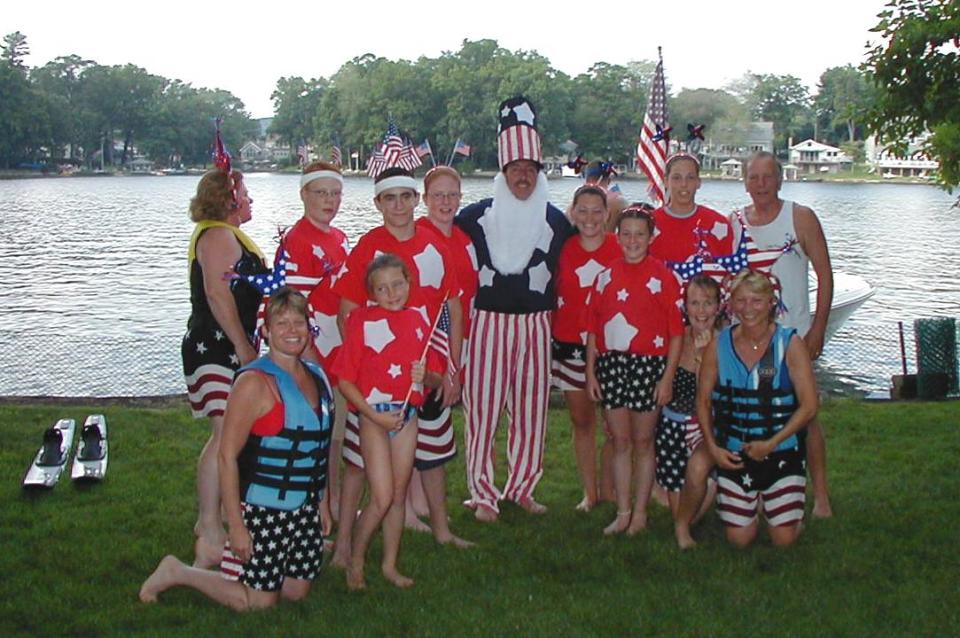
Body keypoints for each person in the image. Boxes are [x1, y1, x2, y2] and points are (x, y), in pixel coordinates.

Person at [142, 288, 334, 609]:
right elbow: (227, 456)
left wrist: (323, 503)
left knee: (296, 592)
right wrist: (237, 526)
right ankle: (177, 571)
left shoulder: (316, 376)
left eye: (299, 322)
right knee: (258, 603)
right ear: (266, 331)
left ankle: (269, 567)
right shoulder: (254, 383)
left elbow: (319, 450)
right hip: (264, 509)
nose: (291, 331)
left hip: (304, 506)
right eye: (281, 323)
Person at [330, 167, 463, 567]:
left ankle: (441, 528)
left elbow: (451, 307)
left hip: (424, 371)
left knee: (434, 452)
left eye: (407, 196)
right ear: (378, 203)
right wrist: (368, 367)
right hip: (375, 388)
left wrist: (450, 367)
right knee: (357, 464)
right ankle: (343, 544)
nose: (400, 206)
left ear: (416, 200)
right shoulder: (369, 248)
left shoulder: (435, 247)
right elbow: (348, 313)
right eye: (391, 198)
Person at [455, 96, 573, 522]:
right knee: (483, 409)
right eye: (514, 169)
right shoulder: (474, 217)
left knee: (531, 409)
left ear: (539, 173)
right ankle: (482, 492)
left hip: (536, 324)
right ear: (503, 174)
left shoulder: (557, 221)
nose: (522, 177)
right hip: (488, 323)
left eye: (530, 169)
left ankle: (522, 486)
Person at [732, 150, 835, 518]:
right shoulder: (735, 224)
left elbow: (824, 274)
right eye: (754, 178)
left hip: (795, 336)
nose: (761, 184)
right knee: (753, 417)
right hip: (749, 341)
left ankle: (820, 495)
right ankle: (758, 491)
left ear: (780, 179)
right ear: (745, 182)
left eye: (767, 176)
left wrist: (819, 327)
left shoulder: (801, 217)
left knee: (807, 417)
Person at [332, 254, 443, 590]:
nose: (392, 292)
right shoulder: (362, 321)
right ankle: (356, 556)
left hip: (407, 416)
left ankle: (390, 565)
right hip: (374, 416)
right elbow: (345, 381)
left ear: (409, 282)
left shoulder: (419, 320)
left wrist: (428, 377)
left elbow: (436, 378)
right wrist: (371, 414)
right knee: (380, 496)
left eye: (398, 284)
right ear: (372, 293)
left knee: (397, 495)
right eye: (382, 288)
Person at [181, 168, 269, 568]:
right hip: (217, 348)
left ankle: (212, 520)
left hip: (226, 348)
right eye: (245, 194)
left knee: (226, 436)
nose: (250, 200)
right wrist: (243, 348)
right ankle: (211, 525)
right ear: (228, 200)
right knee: (224, 437)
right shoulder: (217, 235)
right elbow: (217, 295)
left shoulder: (224, 234)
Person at [696, 270, 818, 547]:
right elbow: (703, 400)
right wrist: (714, 448)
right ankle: (750, 504)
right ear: (731, 304)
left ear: (771, 303)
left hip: (781, 450)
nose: (747, 309)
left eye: (756, 301)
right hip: (734, 451)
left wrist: (771, 443)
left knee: (784, 540)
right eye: (740, 301)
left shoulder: (790, 344)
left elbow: (810, 406)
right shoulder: (719, 345)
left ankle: (784, 507)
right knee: (740, 540)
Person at [585, 205, 683, 535]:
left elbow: (675, 334)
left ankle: (640, 513)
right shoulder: (605, 277)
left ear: (651, 237)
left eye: (639, 234)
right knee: (620, 439)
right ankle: (623, 510)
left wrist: (667, 378)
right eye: (625, 233)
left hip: (649, 366)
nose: (632, 240)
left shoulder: (664, 277)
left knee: (643, 441)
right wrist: (590, 372)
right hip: (612, 365)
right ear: (617, 236)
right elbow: (594, 331)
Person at [278, 160, 351, 528]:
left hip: (337, 352)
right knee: (313, 436)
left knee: (334, 436)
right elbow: (293, 310)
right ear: (304, 193)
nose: (329, 200)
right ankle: (312, 511)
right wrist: (308, 362)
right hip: (314, 356)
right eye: (320, 192)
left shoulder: (338, 238)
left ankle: (330, 503)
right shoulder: (299, 240)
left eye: (335, 193)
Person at [412, 165, 477, 547]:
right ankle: (409, 503)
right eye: (438, 195)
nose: (446, 202)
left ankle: (420, 501)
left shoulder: (464, 240)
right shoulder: (419, 237)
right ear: (425, 198)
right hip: (426, 347)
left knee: (432, 421)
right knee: (418, 420)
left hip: (457, 340)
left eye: (452, 195)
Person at [553, 185, 622, 511]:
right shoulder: (562, 248)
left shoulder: (621, 247)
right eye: (583, 210)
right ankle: (590, 491)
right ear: (573, 212)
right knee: (582, 421)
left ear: (608, 215)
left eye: (598, 211)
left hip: (611, 347)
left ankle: (610, 489)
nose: (590, 218)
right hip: (570, 344)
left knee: (615, 424)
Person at [657, 275, 723, 549]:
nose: (701, 311)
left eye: (708, 303)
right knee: (678, 511)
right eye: (694, 303)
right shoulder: (677, 338)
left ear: (718, 307)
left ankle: (705, 499)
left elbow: (711, 396)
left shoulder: (725, 343)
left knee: (692, 512)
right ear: (685, 306)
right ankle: (682, 516)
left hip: (708, 426)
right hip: (673, 424)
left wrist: (702, 357)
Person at [649, 152, 733, 282]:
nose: (684, 184)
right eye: (676, 178)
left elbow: (728, 273)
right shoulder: (649, 224)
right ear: (666, 181)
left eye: (690, 178)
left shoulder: (718, 224)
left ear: (698, 182)